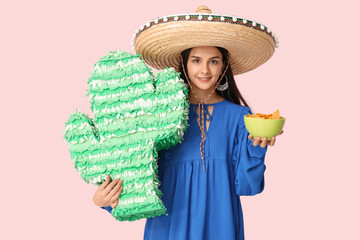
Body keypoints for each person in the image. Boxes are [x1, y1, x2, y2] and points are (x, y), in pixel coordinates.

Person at [93, 5, 282, 240]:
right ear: (183, 63)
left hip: (220, 227)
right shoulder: (159, 113)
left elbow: (246, 186)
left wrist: (258, 148)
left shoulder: (240, 118)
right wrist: (104, 201)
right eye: (196, 60)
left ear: (224, 65)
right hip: (169, 225)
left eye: (213, 61)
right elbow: (137, 172)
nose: (205, 69)